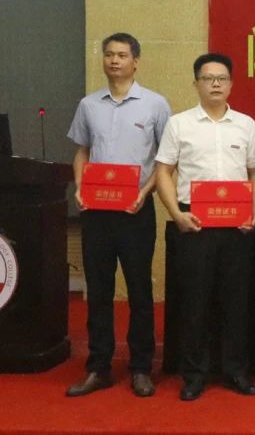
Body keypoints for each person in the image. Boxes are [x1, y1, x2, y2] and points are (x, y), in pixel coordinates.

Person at [65, 33, 171, 398]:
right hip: (96, 211)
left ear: (135, 61)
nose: (114, 61)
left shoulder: (155, 104)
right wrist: (80, 186)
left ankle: (141, 368)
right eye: (109, 54)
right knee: (98, 291)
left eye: (122, 55)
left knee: (140, 290)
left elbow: (164, 161)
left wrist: (145, 193)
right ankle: (99, 367)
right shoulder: (88, 105)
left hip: (135, 210)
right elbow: (82, 150)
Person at [154, 53, 255, 401]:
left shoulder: (245, 124)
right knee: (194, 302)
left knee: (236, 301)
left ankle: (236, 371)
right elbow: (163, 172)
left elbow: (254, 172)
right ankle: (194, 374)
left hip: (236, 226)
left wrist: (253, 213)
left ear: (231, 84)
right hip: (194, 223)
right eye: (208, 78)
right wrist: (176, 213)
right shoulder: (179, 124)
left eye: (221, 78)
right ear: (196, 83)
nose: (215, 84)